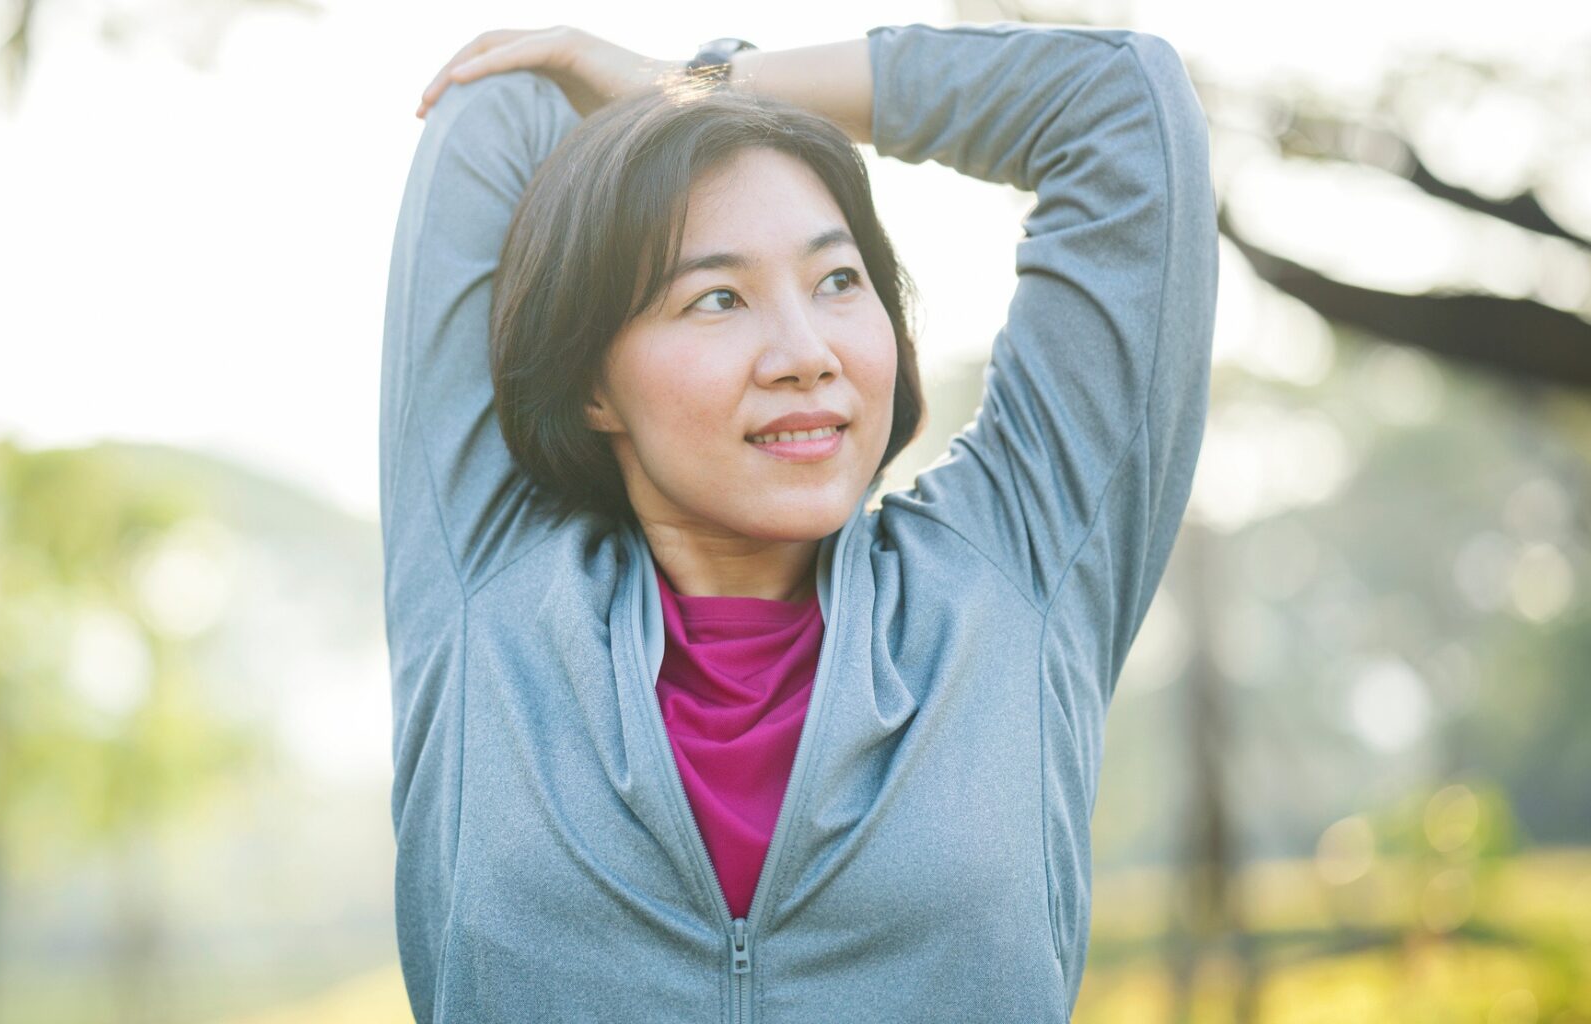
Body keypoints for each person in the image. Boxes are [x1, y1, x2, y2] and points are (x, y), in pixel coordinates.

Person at [381, 21, 1216, 1022]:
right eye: (719, 297)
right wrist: (675, 115)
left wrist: (702, 87)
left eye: (836, 281)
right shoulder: (487, 584)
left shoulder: (1016, 569)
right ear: (592, 380)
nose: (805, 350)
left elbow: (1123, 104)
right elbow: (505, 96)